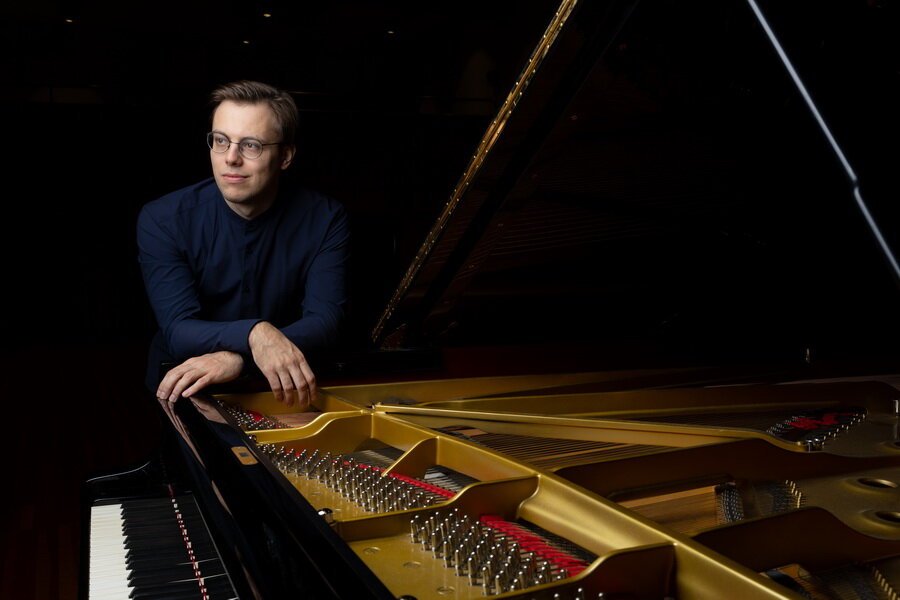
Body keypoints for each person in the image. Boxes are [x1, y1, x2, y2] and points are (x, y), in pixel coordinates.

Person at [137, 80, 349, 409]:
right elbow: (178, 330)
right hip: (187, 385)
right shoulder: (163, 219)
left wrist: (240, 358)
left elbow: (326, 322)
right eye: (221, 141)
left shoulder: (325, 218)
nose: (231, 158)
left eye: (251, 145)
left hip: (282, 386)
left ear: (285, 156)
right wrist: (255, 334)